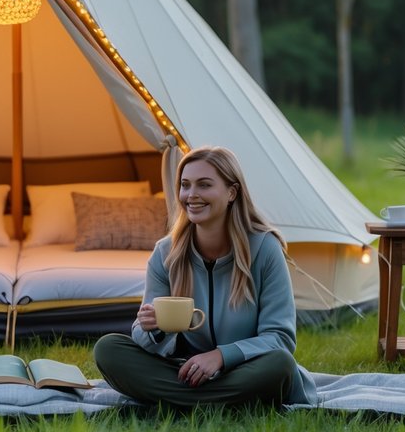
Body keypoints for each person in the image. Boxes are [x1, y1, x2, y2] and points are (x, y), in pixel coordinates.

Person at [94, 146, 316, 408]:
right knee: (108, 349)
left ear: (232, 192)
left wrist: (221, 356)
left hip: (243, 369)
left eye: (204, 185)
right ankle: (216, 403)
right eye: (185, 185)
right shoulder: (166, 253)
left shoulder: (265, 249)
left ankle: (179, 403)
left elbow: (280, 338)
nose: (191, 195)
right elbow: (144, 341)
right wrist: (153, 330)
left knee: (280, 364)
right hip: (182, 371)